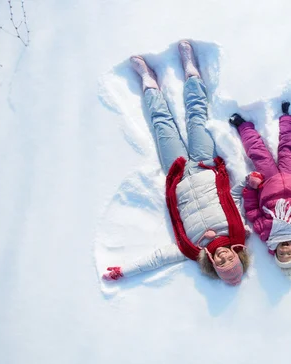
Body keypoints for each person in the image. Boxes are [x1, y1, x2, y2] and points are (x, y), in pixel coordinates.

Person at [102, 40, 250, 286]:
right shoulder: (237, 230)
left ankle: (149, 83)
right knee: (196, 116)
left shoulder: (191, 249)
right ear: (237, 255)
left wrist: (125, 271)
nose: (224, 257)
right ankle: (191, 71)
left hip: (178, 173)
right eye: (231, 259)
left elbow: (158, 258)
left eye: (222, 263)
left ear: (214, 264)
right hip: (204, 165)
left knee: (162, 124)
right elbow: (234, 197)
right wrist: (249, 182)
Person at [228, 103, 291, 276]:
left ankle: (243, 126)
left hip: (267, 182)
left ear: (274, 251)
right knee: (288, 149)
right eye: (289, 254)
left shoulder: (266, 232)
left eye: (281, 254)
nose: (284, 251)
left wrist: (252, 188)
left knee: (258, 153)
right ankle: (287, 118)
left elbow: (252, 210)